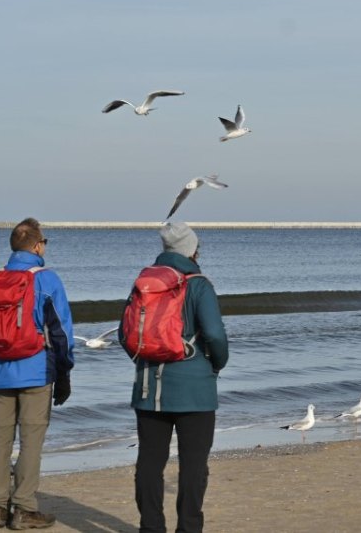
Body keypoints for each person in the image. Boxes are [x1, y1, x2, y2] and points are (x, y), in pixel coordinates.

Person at [0, 218, 74, 530]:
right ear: (38, 246)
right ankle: (24, 508)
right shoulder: (47, 279)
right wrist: (64, 373)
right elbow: (61, 334)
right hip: (35, 372)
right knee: (31, 441)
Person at [125, 223, 228, 533]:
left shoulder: (143, 283)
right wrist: (215, 365)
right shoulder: (199, 285)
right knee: (194, 466)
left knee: (149, 463)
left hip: (149, 388)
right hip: (195, 391)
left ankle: (151, 527)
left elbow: (124, 333)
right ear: (192, 250)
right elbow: (214, 334)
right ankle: (189, 528)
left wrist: (144, 360)